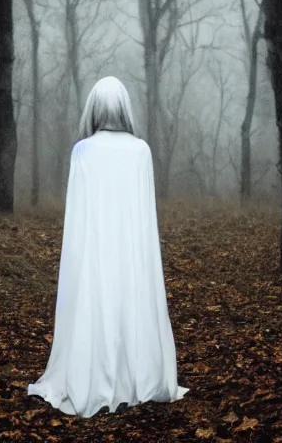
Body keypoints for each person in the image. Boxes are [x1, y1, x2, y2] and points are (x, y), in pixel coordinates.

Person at [27, 76, 188, 417]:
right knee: (129, 300)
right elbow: (144, 214)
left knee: (98, 301)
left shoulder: (84, 150)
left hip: (97, 250)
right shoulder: (139, 150)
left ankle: (94, 374)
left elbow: (78, 217)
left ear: (95, 108)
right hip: (131, 252)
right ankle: (136, 375)